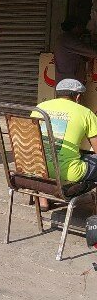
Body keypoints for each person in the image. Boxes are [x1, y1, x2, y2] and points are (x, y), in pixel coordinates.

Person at [35, 78, 97, 209]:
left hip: (38, 170)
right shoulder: (86, 113)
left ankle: (43, 201)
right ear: (78, 96)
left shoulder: (39, 108)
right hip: (69, 174)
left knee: (46, 157)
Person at [54, 18, 95, 85]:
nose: (82, 29)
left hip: (65, 81)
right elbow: (92, 52)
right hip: (70, 83)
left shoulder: (63, 38)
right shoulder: (69, 39)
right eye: (80, 26)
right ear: (76, 27)